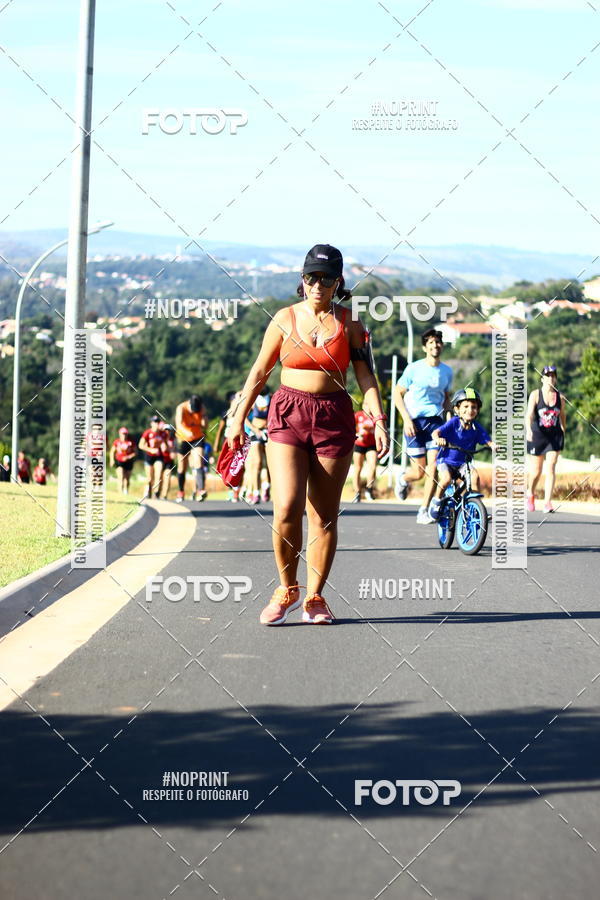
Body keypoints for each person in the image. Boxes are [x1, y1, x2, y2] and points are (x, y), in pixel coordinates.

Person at [227, 243, 389, 626]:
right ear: (303, 280)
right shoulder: (283, 319)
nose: (319, 285)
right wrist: (237, 418)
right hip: (287, 413)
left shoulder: (352, 325)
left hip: (334, 417)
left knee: (324, 517)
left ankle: (315, 598)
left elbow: (366, 375)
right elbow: (258, 374)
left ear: (339, 282)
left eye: (327, 278)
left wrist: (379, 419)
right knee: (285, 508)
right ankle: (286, 588)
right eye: (312, 277)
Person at [393, 328, 453, 523]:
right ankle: (403, 479)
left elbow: (446, 399)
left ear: (442, 345)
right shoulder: (414, 368)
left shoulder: (447, 371)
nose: (435, 346)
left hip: (435, 423)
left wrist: (450, 424)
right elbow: (397, 393)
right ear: (424, 347)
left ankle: (423, 510)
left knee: (433, 468)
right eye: (431, 343)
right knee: (418, 472)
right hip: (414, 423)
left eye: (438, 342)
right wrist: (407, 419)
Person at [428, 388, 495, 520]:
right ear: (457, 409)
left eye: (474, 407)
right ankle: (435, 501)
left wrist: (493, 446)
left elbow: (487, 440)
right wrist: (438, 439)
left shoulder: (476, 427)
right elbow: (436, 433)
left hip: (463, 463)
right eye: (466, 406)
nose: (470, 410)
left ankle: (476, 508)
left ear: (478, 410)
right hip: (446, 461)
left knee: (475, 476)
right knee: (446, 479)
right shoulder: (453, 423)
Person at [526, 364, 566, 513]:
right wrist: (528, 429)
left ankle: (547, 502)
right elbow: (529, 414)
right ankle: (530, 493)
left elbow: (562, 416)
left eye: (553, 376)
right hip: (538, 435)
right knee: (536, 471)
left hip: (554, 436)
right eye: (548, 376)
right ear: (542, 378)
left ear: (555, 379)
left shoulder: (560, 397)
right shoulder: (535, 395)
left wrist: (563, 430)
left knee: (551, 467)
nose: (551, 378)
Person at [174, 394, 207, 502]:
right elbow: (178, 424)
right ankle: (181, 491)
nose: (194, 412)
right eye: (193, 410)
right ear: (189, 404)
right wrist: (187, 432)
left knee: (199, 462)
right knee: (182, 467)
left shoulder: (201, 408)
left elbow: (205, 425)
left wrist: (204, 420)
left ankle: (201, 490)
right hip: (183, 438)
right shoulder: (181, 408)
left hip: (197, 438)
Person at [244, 392, 271, 504]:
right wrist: (255, 429)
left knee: (268, 463)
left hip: (269, 433)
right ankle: (256, 492)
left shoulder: (272, 399)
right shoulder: (253, 401)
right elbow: (244, 417)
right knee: (257, 463)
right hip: (256, 434)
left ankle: (266, 486)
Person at [353, 409, 378, 501]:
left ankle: (369, 489)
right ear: (363, 405)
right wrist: (357, 434)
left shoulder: (375, 416)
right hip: (359, 444)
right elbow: (351, 427)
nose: (369, 407)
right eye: (366, 404)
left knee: (373, 466)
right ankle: (357, 492)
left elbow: (380, 428)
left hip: (371, 444)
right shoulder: (358, 415)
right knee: (358, 468)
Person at [138, 415, 166, 500]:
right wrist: (151, 450)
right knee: (149, 479)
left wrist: (164, 446)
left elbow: (165, 443)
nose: (156, 424)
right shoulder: (147, 433)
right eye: (155, 422)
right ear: (151, 423)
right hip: (149, 457)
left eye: (158, 422)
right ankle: (148, 493)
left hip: (159, 457)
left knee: (159, 473)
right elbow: (140, 445)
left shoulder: (162, 433)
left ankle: (156, 492)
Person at [109, 426, 137, 495]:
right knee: (120, 477)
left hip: (129, 462)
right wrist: (112, 460)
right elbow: (112, 451)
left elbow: (135, 452)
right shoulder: (117, 442)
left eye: (125, 434)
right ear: (119, 434)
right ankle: (120, 493)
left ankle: (126, 491)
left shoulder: (131, 442)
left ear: (127, 434)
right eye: (122, 434)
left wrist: (128, 457)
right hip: (119, 461)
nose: (124, 435)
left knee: (127, 479)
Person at [159, 425, 176, 499]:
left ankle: (164, 495)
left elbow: (174, 451)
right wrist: (170, 450)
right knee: (159, 478)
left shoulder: (173, 440)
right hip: (160, 460)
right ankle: (157, 493)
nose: (167, 432)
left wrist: (173, 452)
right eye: (165, 430)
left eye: (168, 430)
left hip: (169, 462)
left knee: (167, 478)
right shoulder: (159, 439)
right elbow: (163, 449)